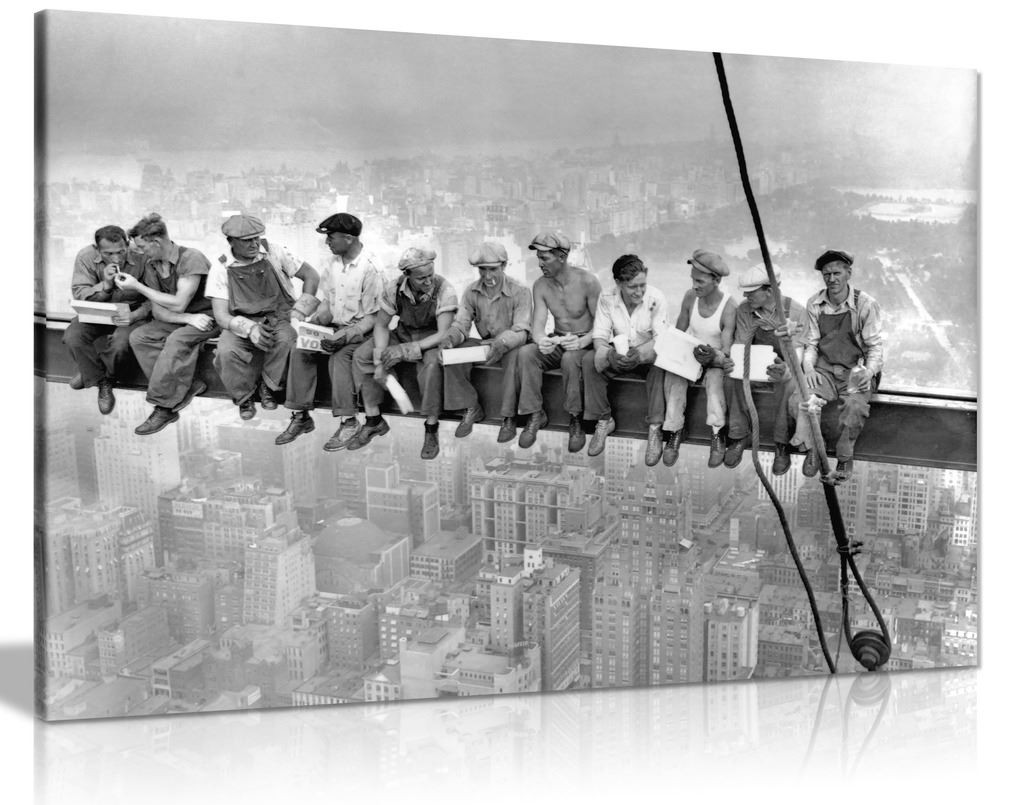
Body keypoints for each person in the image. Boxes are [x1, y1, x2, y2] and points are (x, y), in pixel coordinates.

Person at [276, 213, 384, 450]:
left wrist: (344, 336)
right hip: (336, 328)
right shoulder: (333, 265)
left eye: (331, 237)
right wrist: (312, 326)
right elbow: (328, 303)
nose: (328, 243)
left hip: (362, 334)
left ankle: (348, 421)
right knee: (300, 348)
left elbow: (373, 318)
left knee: (340, 357)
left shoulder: (371, 268)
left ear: (348, 238)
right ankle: (301, 415)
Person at [207, 214, 320, 422]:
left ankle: (269, 387)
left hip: (279, 316)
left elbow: (312, 276)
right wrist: (249, 329)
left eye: (256, 238)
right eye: (246, 240)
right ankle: (244, 397)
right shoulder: (221, 266)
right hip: (241, 321)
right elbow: (221, 316)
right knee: (225, 351)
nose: (254, 244)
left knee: (286, 341)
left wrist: (300, 310)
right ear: (231, 241)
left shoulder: (275, 251)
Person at [348, 247, 458, 460]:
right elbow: (381, 325)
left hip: (431, 339)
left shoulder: (445, 290)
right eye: (421, 278)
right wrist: (380, 360)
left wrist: (404, 351)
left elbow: (443, 333)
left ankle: (431, 427)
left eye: (430, 275)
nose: (427, 281)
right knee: (363, 354)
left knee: (433, 365)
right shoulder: (394, 288)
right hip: (404, 333)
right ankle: (373, 419)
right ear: (407, 276)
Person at [118, 213, 219, 435]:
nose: (141, 252)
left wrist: (138, 286)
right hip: (187, 318)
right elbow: (158, 309)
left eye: (143, 247)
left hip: (208, 317)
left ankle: (163, 407)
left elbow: (178, 302)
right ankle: (188, 384)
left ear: (156, 242)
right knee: (140, 337)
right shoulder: (153, 264)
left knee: (176, 340)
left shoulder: (191, 258)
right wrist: (187, 319)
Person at [790, 249, 884, 480]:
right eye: (826, 274)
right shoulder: (815, 303)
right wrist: (809, 369)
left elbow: (875, 347)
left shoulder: (865, 304)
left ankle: (844, 456)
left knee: (855, 408)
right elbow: (811, 343)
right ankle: (812, 449)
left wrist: (869, 372)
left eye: (837, 273)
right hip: (825, 370)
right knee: (801, 399)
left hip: (856, 372)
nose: (832, 279)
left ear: (848, 273)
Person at [515, 231, 602, 451]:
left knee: (570, 360)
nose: (540, 263)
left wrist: (583, 342)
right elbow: (538, 325)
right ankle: (535, 414)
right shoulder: (541, 286)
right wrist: (541, 340)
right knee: (526, 353)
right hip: (559, 339)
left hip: (585, 342)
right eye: (539, 258)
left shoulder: (588, 282)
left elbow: (603, 326)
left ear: (561, 257)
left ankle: (575, 419)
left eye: (545, 258)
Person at [438, 242, 532, 441]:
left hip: (511, 344)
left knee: (514, 357)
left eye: (493, 270)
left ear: (504, 266)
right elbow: (462, 324)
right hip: (487, 345)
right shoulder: (472, 291)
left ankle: (508, 417)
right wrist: (449, 340)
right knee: (452, 356)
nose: (488, 276)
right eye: (483, 270)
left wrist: (501, 343)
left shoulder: (520, 291)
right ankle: (471, 406)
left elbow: (521, 330)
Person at [582, 254, 670, 462]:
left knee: (660, 367)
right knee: (589, 362)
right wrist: (610, 355)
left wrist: (640, 355)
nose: (639, 292)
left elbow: (661, 339)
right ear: (618, 283)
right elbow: (600, 336)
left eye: (642, 285)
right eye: (632, 287)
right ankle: (604, 420)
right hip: (620, 352)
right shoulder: (607, 298)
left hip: (647, 354)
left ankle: (655, 428)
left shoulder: (656, 298)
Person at [722, 264, 808, 474]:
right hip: (754, 364)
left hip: (784, 367)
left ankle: (781, 444)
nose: (745, 296)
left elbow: (798, 354)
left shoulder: (795, 311)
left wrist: (785, 369)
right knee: (731, 377)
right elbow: (742, 343)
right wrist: (735, 361)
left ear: (769, 291)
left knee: (787, 384)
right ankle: (738, 434)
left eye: (751, 293)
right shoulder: (745, 310)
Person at [63, 224, 151, 414]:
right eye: (108, 254)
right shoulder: (85, 257)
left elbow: (155, 296)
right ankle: (101, 381)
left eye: (121, 251)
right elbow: (80, 294)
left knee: (121, 344)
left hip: (131, 313)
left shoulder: (143, 256)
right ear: (97, 249)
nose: (116, 258)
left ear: (127, 244)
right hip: (97, 311)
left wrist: (135, 315)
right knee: (73, 337)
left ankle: (92, 373)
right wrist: (106, 285)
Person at [662, 249, 736, 468]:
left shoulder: (729, 308)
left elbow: (727, 349)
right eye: (693, 280)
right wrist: (676, 354)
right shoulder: (690, 297)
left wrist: (713, 356)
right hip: (691, 353)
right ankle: (675, 429)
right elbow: (680, 331)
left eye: (700, 281)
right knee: (674, 376)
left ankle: (717, 433)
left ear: (716, 280)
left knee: (714, 383)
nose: (695, 285)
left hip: (713, 359)